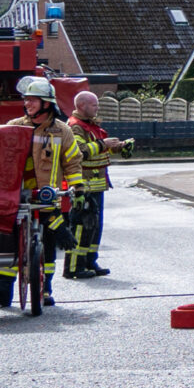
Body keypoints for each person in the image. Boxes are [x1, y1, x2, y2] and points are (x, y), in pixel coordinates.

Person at [0, 76, 74, 309]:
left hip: (46, 196)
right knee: (6, 242)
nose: (27, 104)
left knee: (48, 241)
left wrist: (78, 189)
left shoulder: (62, 131)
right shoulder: (15, 125)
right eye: (26, 100)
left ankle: (44, 290)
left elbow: (73, 162)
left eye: (33, 100)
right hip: (16, 195)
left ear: (47, 103)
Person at [61, 90, 131, 280]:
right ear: (81, 106)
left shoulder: (90, 126)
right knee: (81, 226)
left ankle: (90, 261)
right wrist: (103, 144)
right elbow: (79, 152)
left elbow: (98, 149)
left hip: (96, 186)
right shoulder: (75, 127)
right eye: (94, 105)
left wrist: (117, 146)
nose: (97, 108)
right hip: (82, 186)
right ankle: (74, 267)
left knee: (94, 227)